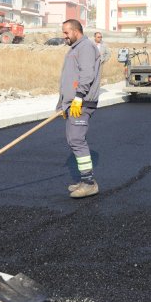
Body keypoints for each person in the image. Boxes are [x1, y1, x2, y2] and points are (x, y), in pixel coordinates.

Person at [58, 19, 102, 199]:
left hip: (81, 103)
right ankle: (84, 180)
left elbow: (87, 74)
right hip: (73, 103)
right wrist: (61, 104)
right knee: (72, 139)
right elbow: (67, 80)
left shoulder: (85, 47)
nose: (64, 36)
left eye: (66, 32)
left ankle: (89, 183)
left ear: (76, 31)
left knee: (76, 139)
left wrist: (78, 97)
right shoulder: (75, 49)